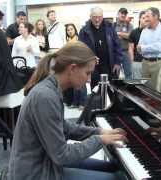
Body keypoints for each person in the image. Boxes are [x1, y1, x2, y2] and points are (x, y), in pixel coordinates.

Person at [8, 41, 127, 180]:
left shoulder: (51, 88)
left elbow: (65, 128)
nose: (89, 80)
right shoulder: (45, 96)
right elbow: (62, 155)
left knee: (114, 168)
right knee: (118, 178)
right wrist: (99, 140)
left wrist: (100, 132)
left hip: (47, 163)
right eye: (87, 73)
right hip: (37, 174)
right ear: (72, 69)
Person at [79, 7, 123, 89]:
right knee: (96, 91)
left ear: (102, 16)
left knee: (111, 90)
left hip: (109, 66)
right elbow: (80, 50)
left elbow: (118, 45)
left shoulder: (110, 28)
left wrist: (117, 62)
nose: (97, 19)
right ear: (90, 16)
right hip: (93, 68)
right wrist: (89, 59)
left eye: (99, 17)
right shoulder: (84, 31)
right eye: (94, 17)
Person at [137, 7, 161, 78]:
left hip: (159, 64)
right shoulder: (144, 31)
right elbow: (139, 49)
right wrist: (154, 48)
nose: (145, 19)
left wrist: (143, 48)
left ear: (155, 17)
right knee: (144, 87)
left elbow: (160, 47)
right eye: (145, 17)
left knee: (158, 88)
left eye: (147, 16)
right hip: (145, 64)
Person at [65, 23, 87, 109]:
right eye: (68, 30)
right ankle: (75, 102)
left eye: (71, 29)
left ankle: (83, 103)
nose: (70, 31)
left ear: (75, 30)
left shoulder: (79, 39)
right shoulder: (68, 40)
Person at [114, 8, 133, 80]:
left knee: (128, 74)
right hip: (115, 53)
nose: (123, 15)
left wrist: (118, 33)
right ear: (118, 14)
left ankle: (129, 90)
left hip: (125, 52)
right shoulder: (113, 25)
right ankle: (114, 90)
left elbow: (130, 36)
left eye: (125, 13)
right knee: (115, 73)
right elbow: (112, 38)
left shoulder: (129, 25)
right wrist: (124, 35)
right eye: (122, 13)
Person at [128, 10, 148, 79]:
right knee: (138, 85)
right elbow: (131, 48)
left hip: (149, 63)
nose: (145, 20)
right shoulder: (134, 32)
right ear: (139, 19)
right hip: (137, 62)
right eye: (143, 18)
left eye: (147, 18)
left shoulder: (151, 32)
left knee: (149, 86)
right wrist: (132, 62)